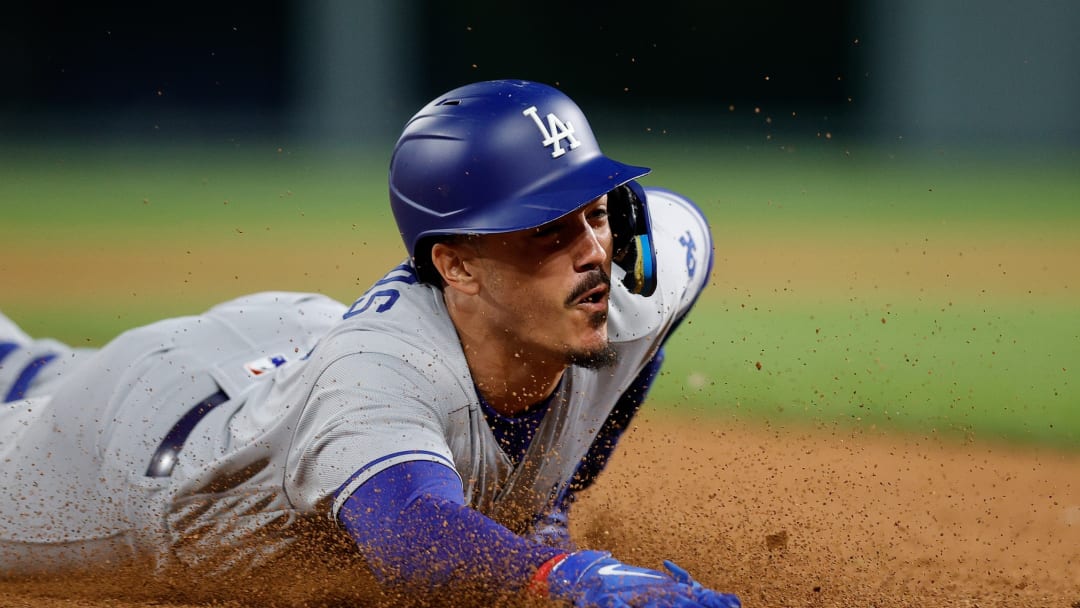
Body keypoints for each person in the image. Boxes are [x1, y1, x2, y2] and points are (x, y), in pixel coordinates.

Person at [0, 80, 739, 607]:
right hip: (150, 449)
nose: (592, 252)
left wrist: (551, 503)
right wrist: (567, 575)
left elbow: (667, 286)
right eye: (547, 228)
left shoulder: (626, 277)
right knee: (34, 396)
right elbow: (415, 540)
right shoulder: (381, 377)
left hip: (292, 340)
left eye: (596, 214)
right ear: (455, 264)